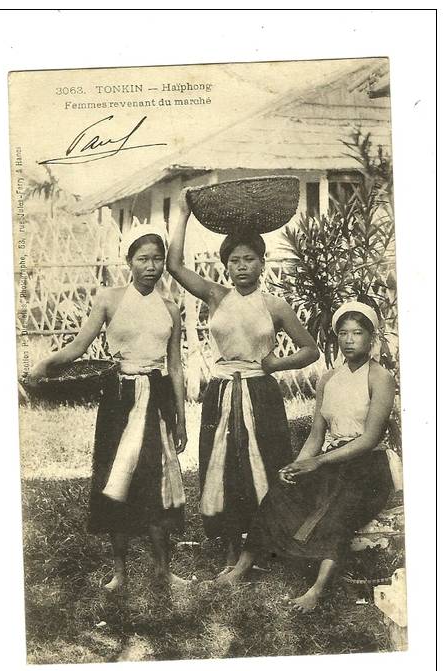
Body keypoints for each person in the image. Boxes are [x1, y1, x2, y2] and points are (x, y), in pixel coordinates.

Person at [28, 226, 188, 592]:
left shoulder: (170, 308)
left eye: (158, 259)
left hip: (158, 397)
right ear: (129, 261)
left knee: (156, 481)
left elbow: (176, 365)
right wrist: (44, 364)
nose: (151, 267)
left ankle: (163, 570)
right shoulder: (109, 299)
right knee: (114, 480)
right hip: (119, 397)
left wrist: (180, 418)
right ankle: (120, 572)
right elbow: (78, 347)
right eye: (143, 259)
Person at [167, 189, 319, 573]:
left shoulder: (274, 305)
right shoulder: (216, 296)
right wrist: (183, 214)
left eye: (249, 259)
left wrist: (275, 365)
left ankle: (264, 545)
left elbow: (310, 350)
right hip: (221, 392)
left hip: (260, 390)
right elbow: (174, 265)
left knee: (265, 465)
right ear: (226, 266)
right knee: (223, 467)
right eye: (234, 261)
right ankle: (232, 548)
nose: (241, 267)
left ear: (262, 263)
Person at [216, 301, 397, 613]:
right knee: (280, 492)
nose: (349, 339)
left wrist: (318, 462)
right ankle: (240, 569)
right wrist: (298, 465)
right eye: (343, 333)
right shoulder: (328, 378)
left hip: (368, 467)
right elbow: (316, 434)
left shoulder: (380, 378)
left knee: (340, 507)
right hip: (331, 459)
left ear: (372, 338)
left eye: (357, 333)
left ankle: (316, 590)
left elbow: (369, 439)